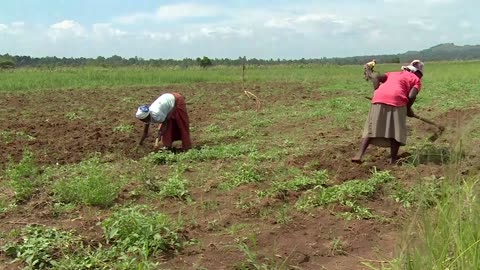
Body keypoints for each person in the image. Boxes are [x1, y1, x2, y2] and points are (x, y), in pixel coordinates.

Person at [352, 60, 424, 164]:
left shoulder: (392, 73)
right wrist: (407, 109)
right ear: (417, 73)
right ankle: (393, 159)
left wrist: (377, 91)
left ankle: (359, 154)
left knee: (371, 127)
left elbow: (376, 77)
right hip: (397, 101)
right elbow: (412, 96)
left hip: (378, 99)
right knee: (396, 131)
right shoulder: (416, 80)